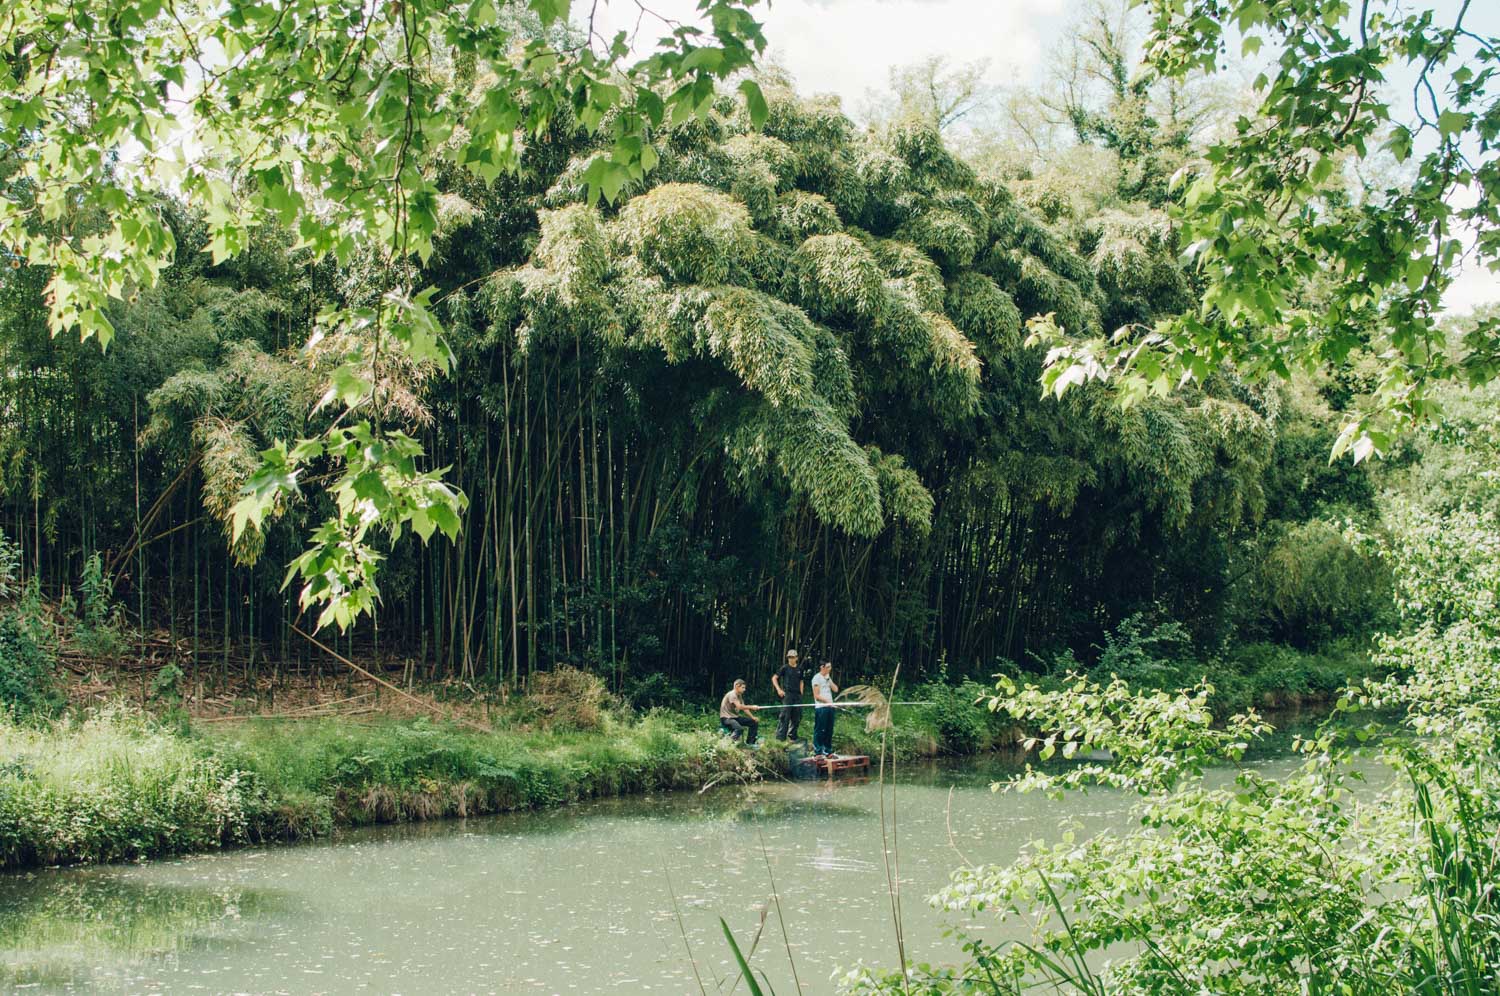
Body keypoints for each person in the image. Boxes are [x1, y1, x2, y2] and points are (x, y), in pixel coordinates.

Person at [772, 649, 804, 741]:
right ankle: (780, 737)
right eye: (789, 657)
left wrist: (801, 692)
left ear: (796, 658)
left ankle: (792, 736)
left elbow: (801, 680)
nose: (791, 659)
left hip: (797, 695)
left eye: (793, 657)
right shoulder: (785, 668)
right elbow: (774, 678)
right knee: (785, 716)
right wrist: (779, 689)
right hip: (788, 694)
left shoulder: (800, 669)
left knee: (797, 716)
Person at [718, 678, 761, 744]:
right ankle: (728, 743)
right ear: (737, 686)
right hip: (726, 718)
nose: (744, 689)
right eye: (743, 687)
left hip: (735, 717)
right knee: (739, 729)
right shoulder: (732, 694)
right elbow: (739, 707)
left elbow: (744, 707)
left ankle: (750, 743)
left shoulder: (739, 695)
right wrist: (752, 707)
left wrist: (753, 717)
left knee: (754, 722)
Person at [811, 661, 838, 756]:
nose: (830, 669)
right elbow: (817, 696)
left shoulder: (828, 678)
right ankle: (818, 752)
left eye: (830, 666)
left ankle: (827, 750)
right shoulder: (816, 678)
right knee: (820, 730)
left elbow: (835, 689)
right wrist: (827, 702)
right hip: (821, 708)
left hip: (830, 708)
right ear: (822, 667)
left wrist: (829, 679)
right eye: (828, 667)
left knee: (829, 730)